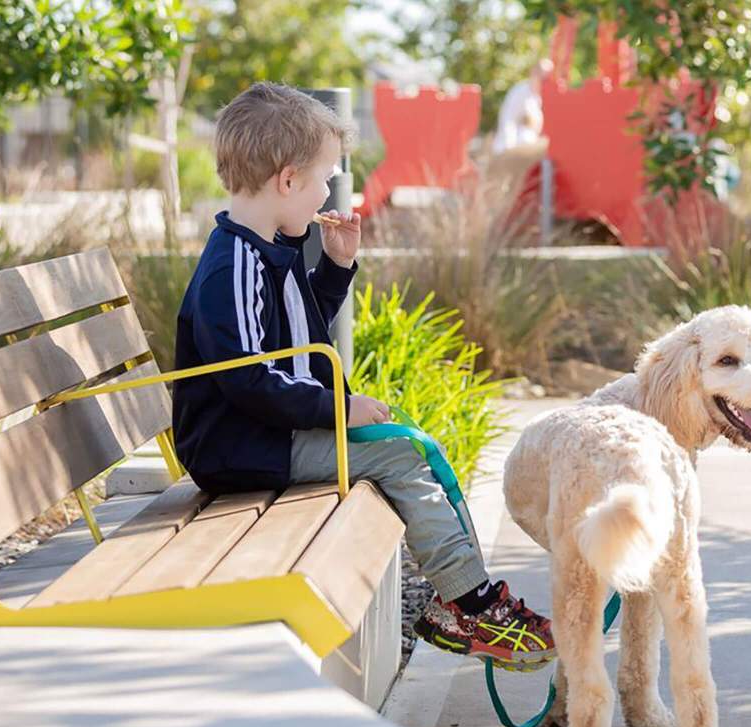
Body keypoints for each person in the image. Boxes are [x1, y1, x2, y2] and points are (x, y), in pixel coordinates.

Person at [173, 81, 555, 671]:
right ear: (288, 180)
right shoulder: (236, 265)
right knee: (399, 455)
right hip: (239, 446)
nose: (331, 189)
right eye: (326, 175)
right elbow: (252, 380)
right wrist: (338, 411)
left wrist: (335, 266)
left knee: (405, 447)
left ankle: (465, 598)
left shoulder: (269, 246)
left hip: (265, 435)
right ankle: (469, 605)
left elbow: (299, 340)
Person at [492, 59, 554, 154]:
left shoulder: (540, 97)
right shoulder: (520, 92)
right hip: (513, 147)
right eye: (541, 75)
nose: (543, 79)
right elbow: (508, 119)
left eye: (546, 77)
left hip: (530, 148)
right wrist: (509, 148)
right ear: (533, 72)